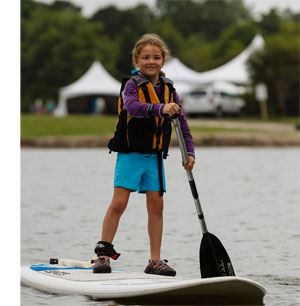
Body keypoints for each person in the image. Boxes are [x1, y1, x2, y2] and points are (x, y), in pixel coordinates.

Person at [93, 33, 195, 276]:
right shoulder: (131, 85)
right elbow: (133, 108)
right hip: (130, 154)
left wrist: (189, 152)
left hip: (154, 158)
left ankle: (155, 260)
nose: (151, 61)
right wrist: (161, 108)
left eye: (157, 57)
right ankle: (103, 255)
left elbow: (182, 123)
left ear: (163, 60)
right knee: (119, 203)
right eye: (146, 57)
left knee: (157, 207)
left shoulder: (169, 89)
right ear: (137, 60)